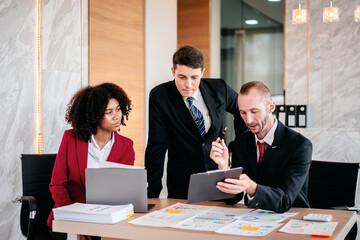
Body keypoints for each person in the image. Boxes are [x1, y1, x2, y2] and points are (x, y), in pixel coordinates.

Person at [145, 45, 247, 199]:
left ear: (202, 73)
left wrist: (236, 148)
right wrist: (150, 195)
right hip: (183, 180)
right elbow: (156, 146)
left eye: (194, 77)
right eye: (182, 77)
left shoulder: (219, 88)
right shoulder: (160, 96)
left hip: (218, 176)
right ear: (173, 72)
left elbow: (242, 110)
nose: (188, 84)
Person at [47, 83, 135, 239]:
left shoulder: (126, 146)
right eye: (109, 112)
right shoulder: (70, 139)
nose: (116, 116)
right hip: (72, 216)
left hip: (109, 218)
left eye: (118, 109)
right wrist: (76, 221)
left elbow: (124, 192)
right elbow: (57, 184)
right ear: (94, 116)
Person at [210, 81, 312, 213]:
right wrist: (224, 168)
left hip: (292, 217)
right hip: (254, 218)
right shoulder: (240, 143)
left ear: (271, 107)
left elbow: (284, 200)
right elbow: (233, 198)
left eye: (254, 111)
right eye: (243, 113)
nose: (248, 120)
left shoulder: (300, 146)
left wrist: (251, 187)